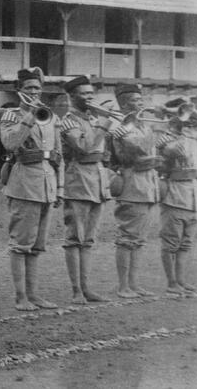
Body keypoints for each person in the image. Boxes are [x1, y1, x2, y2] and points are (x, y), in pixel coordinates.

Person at [0, 67, 64, 311]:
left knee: (37, 246)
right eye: (29, 88)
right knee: (20, 244)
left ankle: (34, 294)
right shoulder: (10, 115)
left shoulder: (51, 116)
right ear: (20, 90)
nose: (34, 92)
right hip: (24, 185)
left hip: (46, 184)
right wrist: (28, 115)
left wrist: (59, 187)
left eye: (37, 88)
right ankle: (20, 297)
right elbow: (11, 143)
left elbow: (59, 155)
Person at [59, 75, 115, 304]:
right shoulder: (69, 121)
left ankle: (87, 287)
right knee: (75, 238)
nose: (90, 97)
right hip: (78, 179)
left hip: (97, 179)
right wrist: (103, 123)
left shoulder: (94, 119)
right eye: (84, 94)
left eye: (92, 94)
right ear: (72, 97)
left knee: (89, 239)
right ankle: (76, 291)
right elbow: (83, 146)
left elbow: (103, 148)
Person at [108, 83, 161, 298]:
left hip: (147, 186)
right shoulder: (121, 127)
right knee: (127, 238)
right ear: (123, 104)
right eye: (135, 101)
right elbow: (138, 148)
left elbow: (148, 152)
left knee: (139, 240)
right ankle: (123, 286)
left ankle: (134, 283)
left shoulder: (142, 126)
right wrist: (156, 127)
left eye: (141, 100)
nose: (141, 105)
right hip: (132, 186)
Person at [156, 99, 197, 296]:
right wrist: (175, 118)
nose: (187, 120)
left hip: (193, 193)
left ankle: (181, 280)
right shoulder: (164, 137)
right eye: (182, 114)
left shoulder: (191, 134)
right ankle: (171, 282)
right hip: (175, 193)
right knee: (171, 242)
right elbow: (172, 152)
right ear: (171, 118)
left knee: (186, 243)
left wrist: (184, 110)